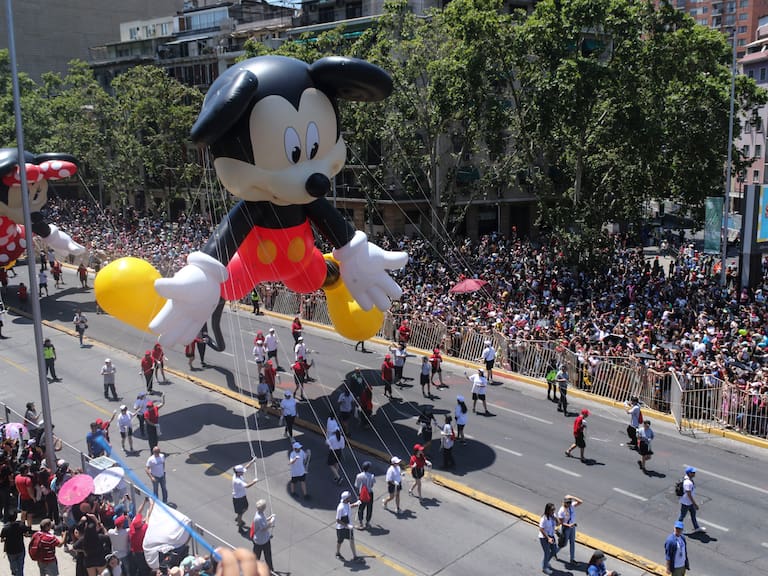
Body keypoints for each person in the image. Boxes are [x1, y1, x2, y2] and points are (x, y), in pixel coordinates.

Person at [1, 511, 32, 576]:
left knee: (12, 564)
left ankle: (14, 572)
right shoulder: (21, 526)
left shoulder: (5, 528)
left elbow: (2, 539)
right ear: (15, 518)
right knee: (20, 566)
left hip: (10, 550)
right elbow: (27, 533)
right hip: (20, 549)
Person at [335, 491, 362, 562]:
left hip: (348, 527)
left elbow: (349, 506)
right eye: (349, 497)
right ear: (346, 499)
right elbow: (338, 520)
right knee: (340, 541)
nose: (351, 498)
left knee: (352, 540)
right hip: (341, 528)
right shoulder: (340, 508)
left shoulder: (347, 503)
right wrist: (347, 525)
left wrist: (356, 504)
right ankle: (337, 553)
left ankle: (355, 556)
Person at [556, 494, 583, 566]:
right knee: (563, 544)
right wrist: (569, 525)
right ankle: (553, 552)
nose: (569, 504)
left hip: (572, 527)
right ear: (564, 502)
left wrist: (572, 497)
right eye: (567, 502)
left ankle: (572, 559)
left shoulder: (572, 506)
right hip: (566, 528)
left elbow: (581, 502)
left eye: (570, 502)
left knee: (572, 543)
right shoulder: (561, 511)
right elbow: (561, 522)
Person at [678, 466, 705, 533]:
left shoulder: (688, 479)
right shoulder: (688, 482)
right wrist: (695, 504)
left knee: (693, 514)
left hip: (689, 502)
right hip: (686, 503)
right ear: (689, 473)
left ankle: (696, 528)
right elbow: (689, 494)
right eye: (693, 472)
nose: (694, 473)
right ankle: (678, 528)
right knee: (682, 516)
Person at [232, 459, 258, 527]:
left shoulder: (238, 475)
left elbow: (246, 467)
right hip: (238, 499)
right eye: (242, 472)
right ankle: (240, 525)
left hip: (242, 496)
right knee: (240, 513)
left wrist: (252, 461)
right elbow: (247, 486)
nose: (243, 472)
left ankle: (238, 518)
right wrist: (254, 481)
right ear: (238, 472)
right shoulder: (237, 480)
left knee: (246, 507)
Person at [250, 499, 275, 571]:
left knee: (267, 556)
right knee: (258, 556)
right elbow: (264, 528)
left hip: (264, 539)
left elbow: (264, 521)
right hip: (260, 541)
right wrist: (271, 522)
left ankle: (270, 569)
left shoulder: (260, 513)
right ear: (263, 508)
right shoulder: (258, 518)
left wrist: (269, 518)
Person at [353, 461, 375, 528]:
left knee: (361, 508)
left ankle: (360, 523)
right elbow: (372, 485)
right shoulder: (372, 476)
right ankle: (367, 522)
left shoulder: (359, 476)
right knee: (369, 508)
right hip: (370, 493)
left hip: (362, 493)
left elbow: (356, 485)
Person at [538, 502, 558, 575]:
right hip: (544, 537)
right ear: (548, 510)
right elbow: (541, 529)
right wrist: (548, 538)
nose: (553, 511)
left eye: (554, 509)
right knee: (547, 552)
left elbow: (558, 524)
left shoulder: (553, 516)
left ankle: (545, 562)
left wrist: (555, 518)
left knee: (554, 550)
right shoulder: (544, 518)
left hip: (551, 536)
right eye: (552, 510)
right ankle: (545, 568)